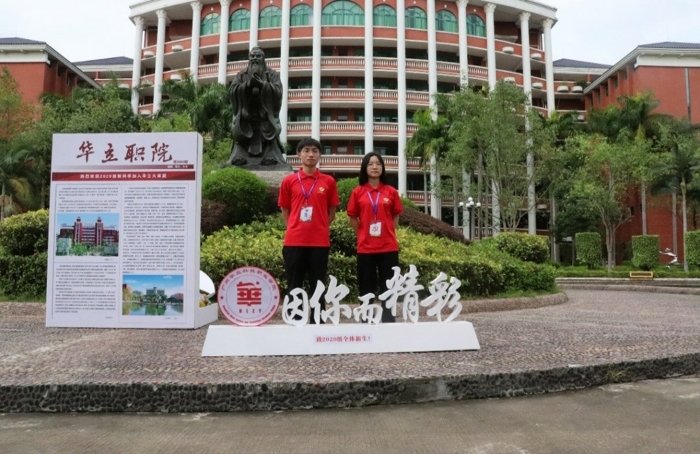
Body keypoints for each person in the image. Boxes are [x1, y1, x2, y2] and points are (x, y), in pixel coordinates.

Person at [278, 138, 339, 323]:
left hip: (319, 242)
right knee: (294, 284)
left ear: (320, 155)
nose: (310, 154)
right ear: (299, 155)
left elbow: (332, 212)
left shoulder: (328, 181)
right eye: (306, 150)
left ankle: (317, 321)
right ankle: (295, 320)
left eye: (314, 151)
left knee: (318, 285)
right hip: (294, 242)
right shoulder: (289, 181)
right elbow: (285, 210)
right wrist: (295, 227)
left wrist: (319, 226)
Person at [347, 152, 403, 323]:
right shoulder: (358, 192)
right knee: (366, 286)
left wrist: (388, 231)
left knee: (389, 286)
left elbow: (395, 216)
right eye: (370, 164)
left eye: (378, 164)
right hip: (366, 247)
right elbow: (352, 218)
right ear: (364, 168)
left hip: (388, 247)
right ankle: (366, 319)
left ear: (382, 167)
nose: (374, 167)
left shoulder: (391, 191)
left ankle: (388, 320)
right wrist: (362, 233)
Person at [225, 46, 287, 167]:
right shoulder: (241, 75)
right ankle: (240, 155)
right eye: (252, 56)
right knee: (241, 130)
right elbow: (232, 91)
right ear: (249, 58)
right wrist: (247, 85)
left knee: (269, 131)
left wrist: (263, 85)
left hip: (265, 113)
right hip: (246, 113)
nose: (255, 58)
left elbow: (278, 91)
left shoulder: (272, 74)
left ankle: (270, 155)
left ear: (263, 58)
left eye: (258, 56)